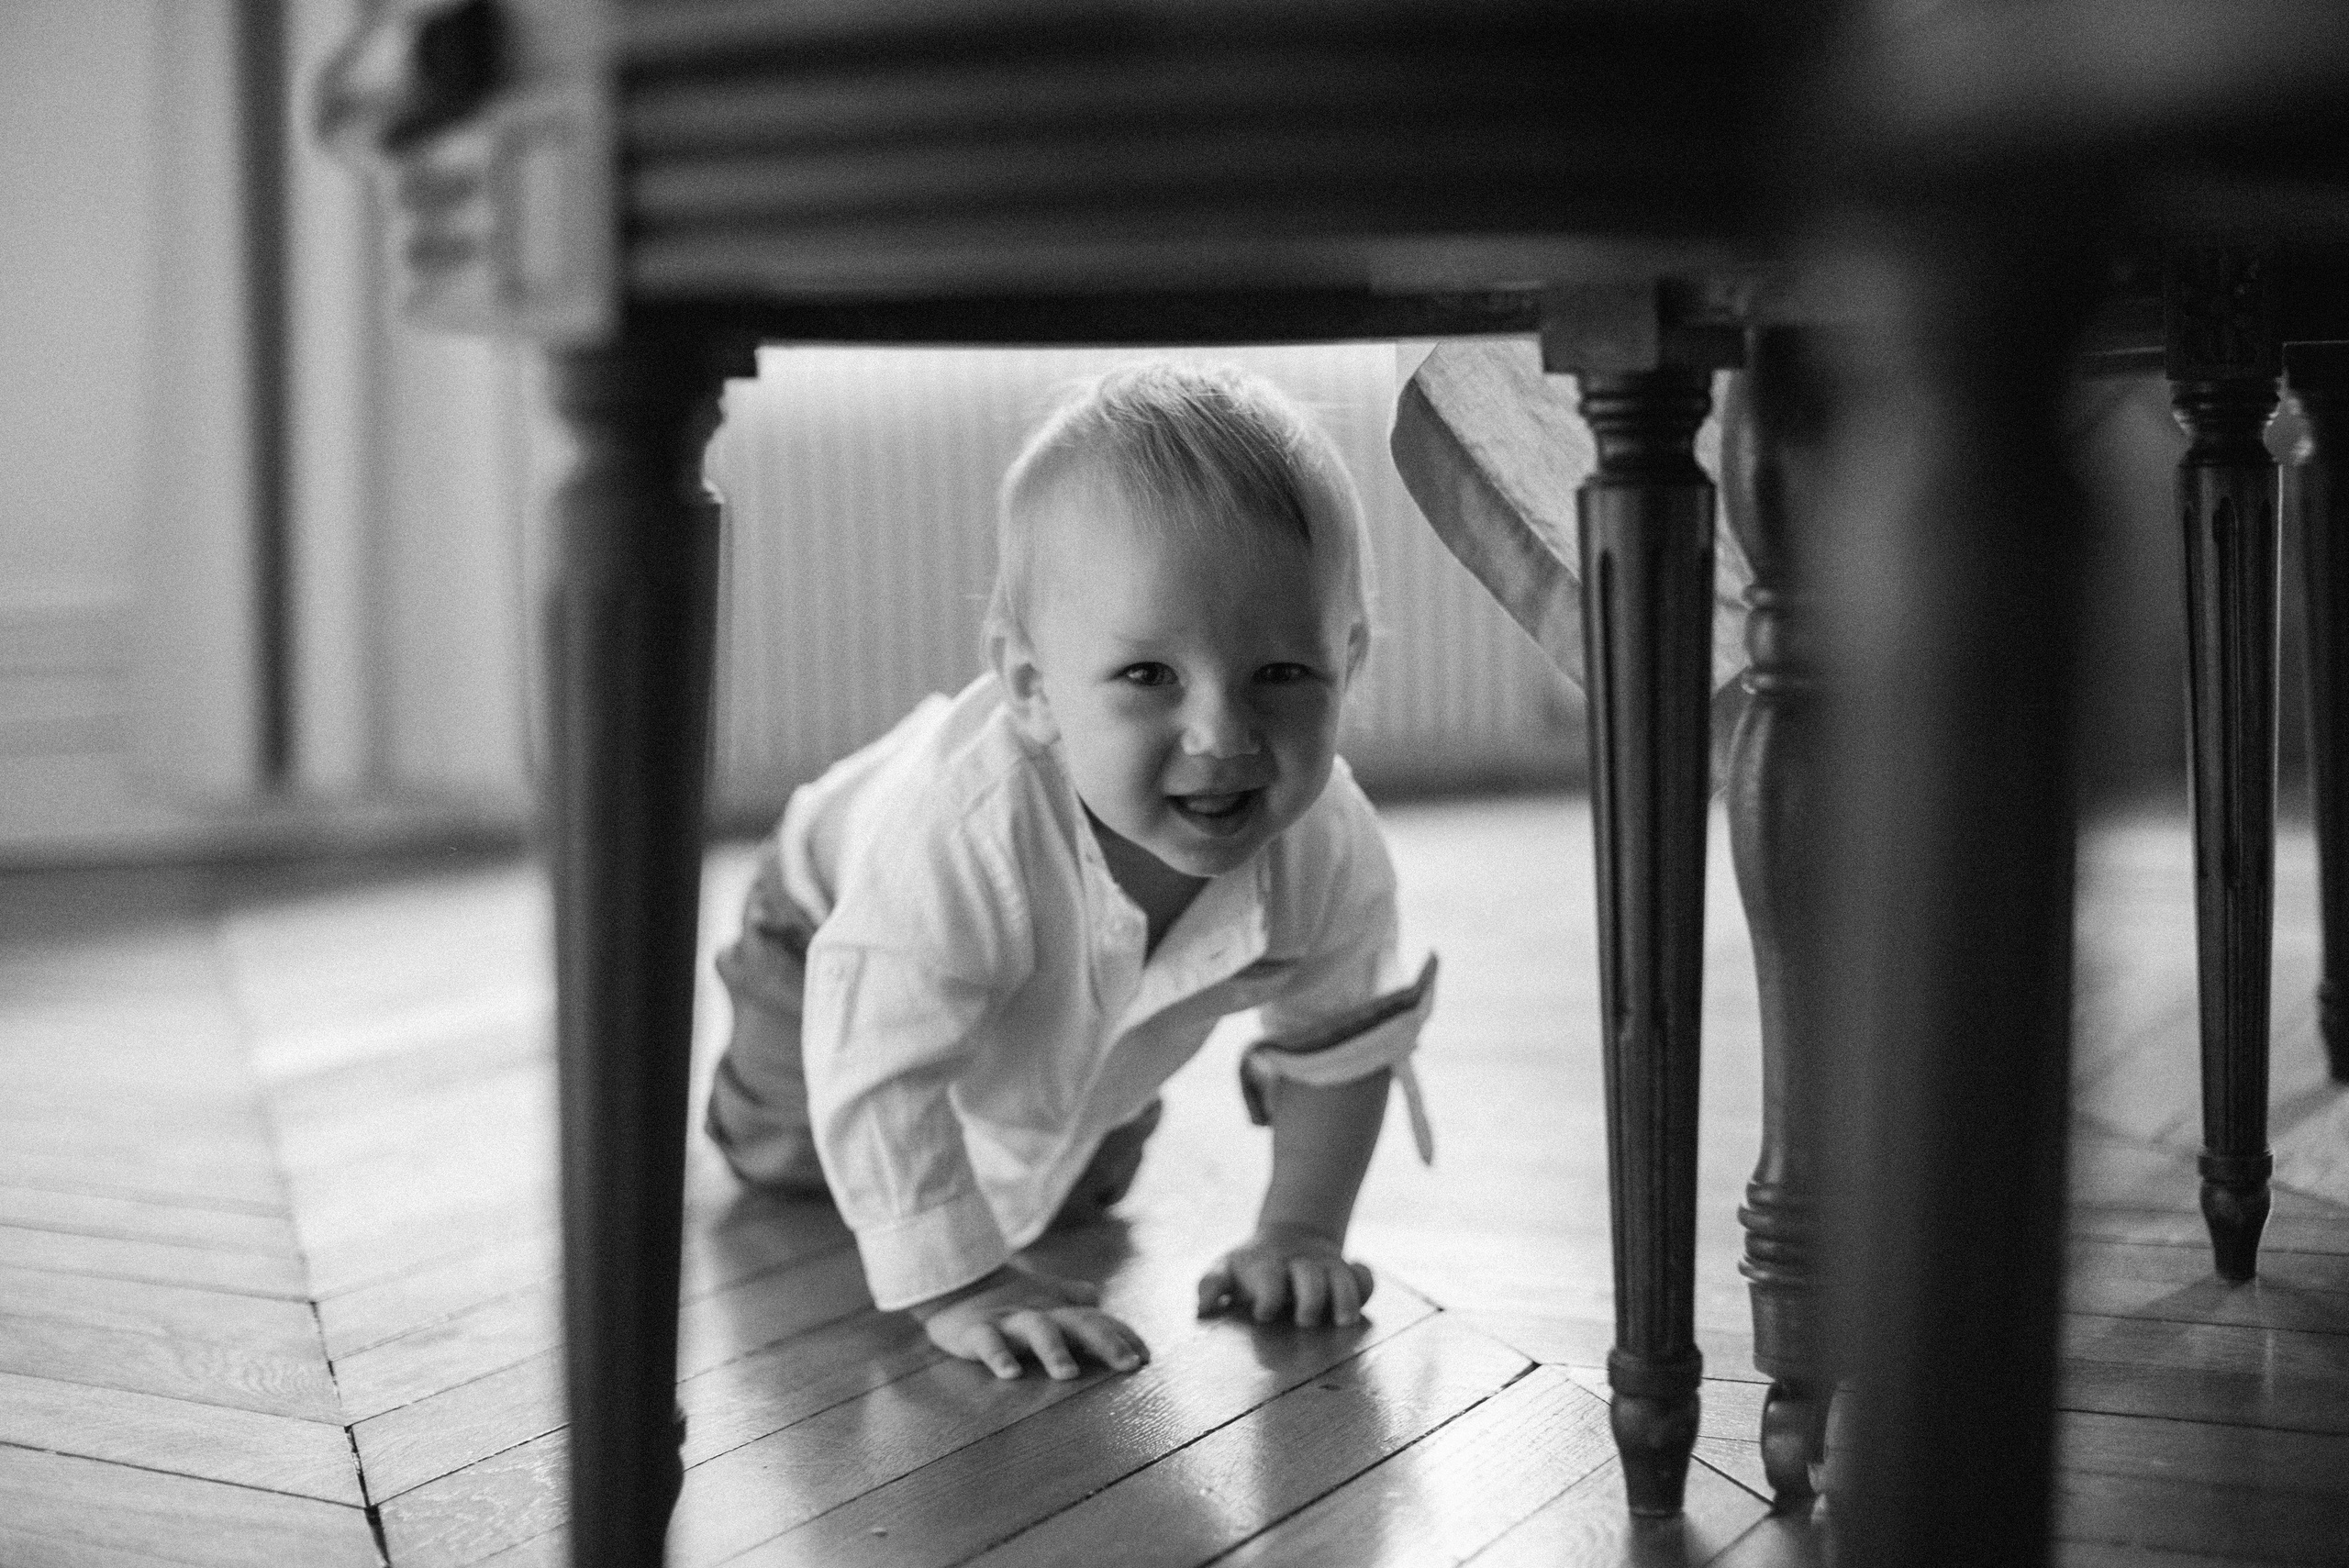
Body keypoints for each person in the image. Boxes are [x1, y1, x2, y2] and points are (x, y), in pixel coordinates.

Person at [706, 360, 1436, 1382]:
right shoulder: (963, 827)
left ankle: (1030, 1123)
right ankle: (766, 1100)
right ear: (1030, 686)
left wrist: (1301, 1229)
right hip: (831, 929)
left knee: (1071, 1180)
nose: (1223, 734)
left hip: (1085, 1008)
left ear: (1348, 662)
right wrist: (959, 1284)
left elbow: (1338, 1042)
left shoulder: (1331, 845)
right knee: (792, 1154)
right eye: (1148, 675)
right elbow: (878, 1065)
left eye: (1283, 673)